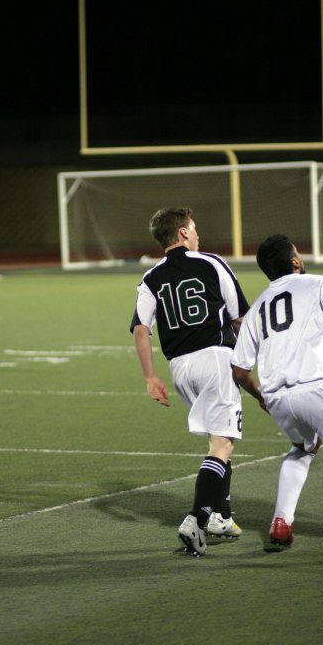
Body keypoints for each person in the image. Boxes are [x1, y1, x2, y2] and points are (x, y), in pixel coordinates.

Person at [130, 207, 250, 557]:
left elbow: (141, 329)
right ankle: (197, 520)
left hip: (179, 367)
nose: (198, 235)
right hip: (215, 358)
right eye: (194, 229)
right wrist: (254, 361)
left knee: (218, 437)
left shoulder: (150, 277)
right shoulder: (211, 262)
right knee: (223, 443)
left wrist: (150, 376)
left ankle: (221, 516)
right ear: (183, 233)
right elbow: (239, 318)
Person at [231, 234, 323, 562]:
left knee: (302, 448)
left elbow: (240, 371)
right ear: (295, 261)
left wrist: (261, 397)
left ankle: (281, 522)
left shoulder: (257, 308)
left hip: (280, 399)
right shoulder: (320, 283)